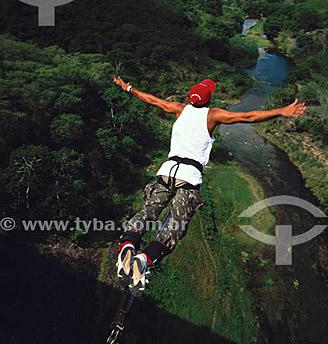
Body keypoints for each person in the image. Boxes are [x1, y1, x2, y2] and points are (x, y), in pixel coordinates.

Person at [113, 76, 306, 296]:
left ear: (190, 97)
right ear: (209, 99)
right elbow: (247, 115)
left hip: (166, 171)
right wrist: (281, 111)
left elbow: (152, 100)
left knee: (148, 212)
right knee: (175, 226)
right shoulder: (213, 115)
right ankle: (144, 260)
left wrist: (127, 87)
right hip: (189, 177)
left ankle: (127, 246)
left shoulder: (179, 108)